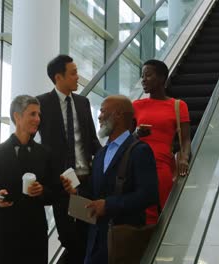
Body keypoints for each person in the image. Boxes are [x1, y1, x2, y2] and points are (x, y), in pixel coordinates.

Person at [61, 95, 159, 264]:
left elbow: (149, 195)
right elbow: (95, 192)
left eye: (103, 111)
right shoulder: (100, 154)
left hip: (123, 244)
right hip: (96, 244)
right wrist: (76, 191)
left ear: (118, 114)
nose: (99, 116)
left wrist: (108, 205)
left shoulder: (140, 150)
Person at [37, 54, 101, 263]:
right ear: (58, 77)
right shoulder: (42, 103)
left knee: (86, 233)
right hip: (61, 184)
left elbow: (92, 140)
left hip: (85, 181)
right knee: (67, 236)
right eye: (73, 73)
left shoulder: (83, 103)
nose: (78, 77)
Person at [0, 95, 55, 264]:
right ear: (17, 116)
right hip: (5, 233)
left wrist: (43, 191)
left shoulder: (45, 154)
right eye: (32, 114)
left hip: (35, 233)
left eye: (39, 115)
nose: (38, 119)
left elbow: (55, 192)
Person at [133, 59, 191, 224]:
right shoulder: (136, 105)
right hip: (137, 166)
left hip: (162, 167)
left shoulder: (178, 106)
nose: (143, 79)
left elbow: (186, 139)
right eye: (142, 76)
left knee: (163, 213)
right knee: (140, 215)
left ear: (162, 78)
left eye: (148, 75)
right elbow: (125, 139)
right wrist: (137, 134)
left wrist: (184, 158)